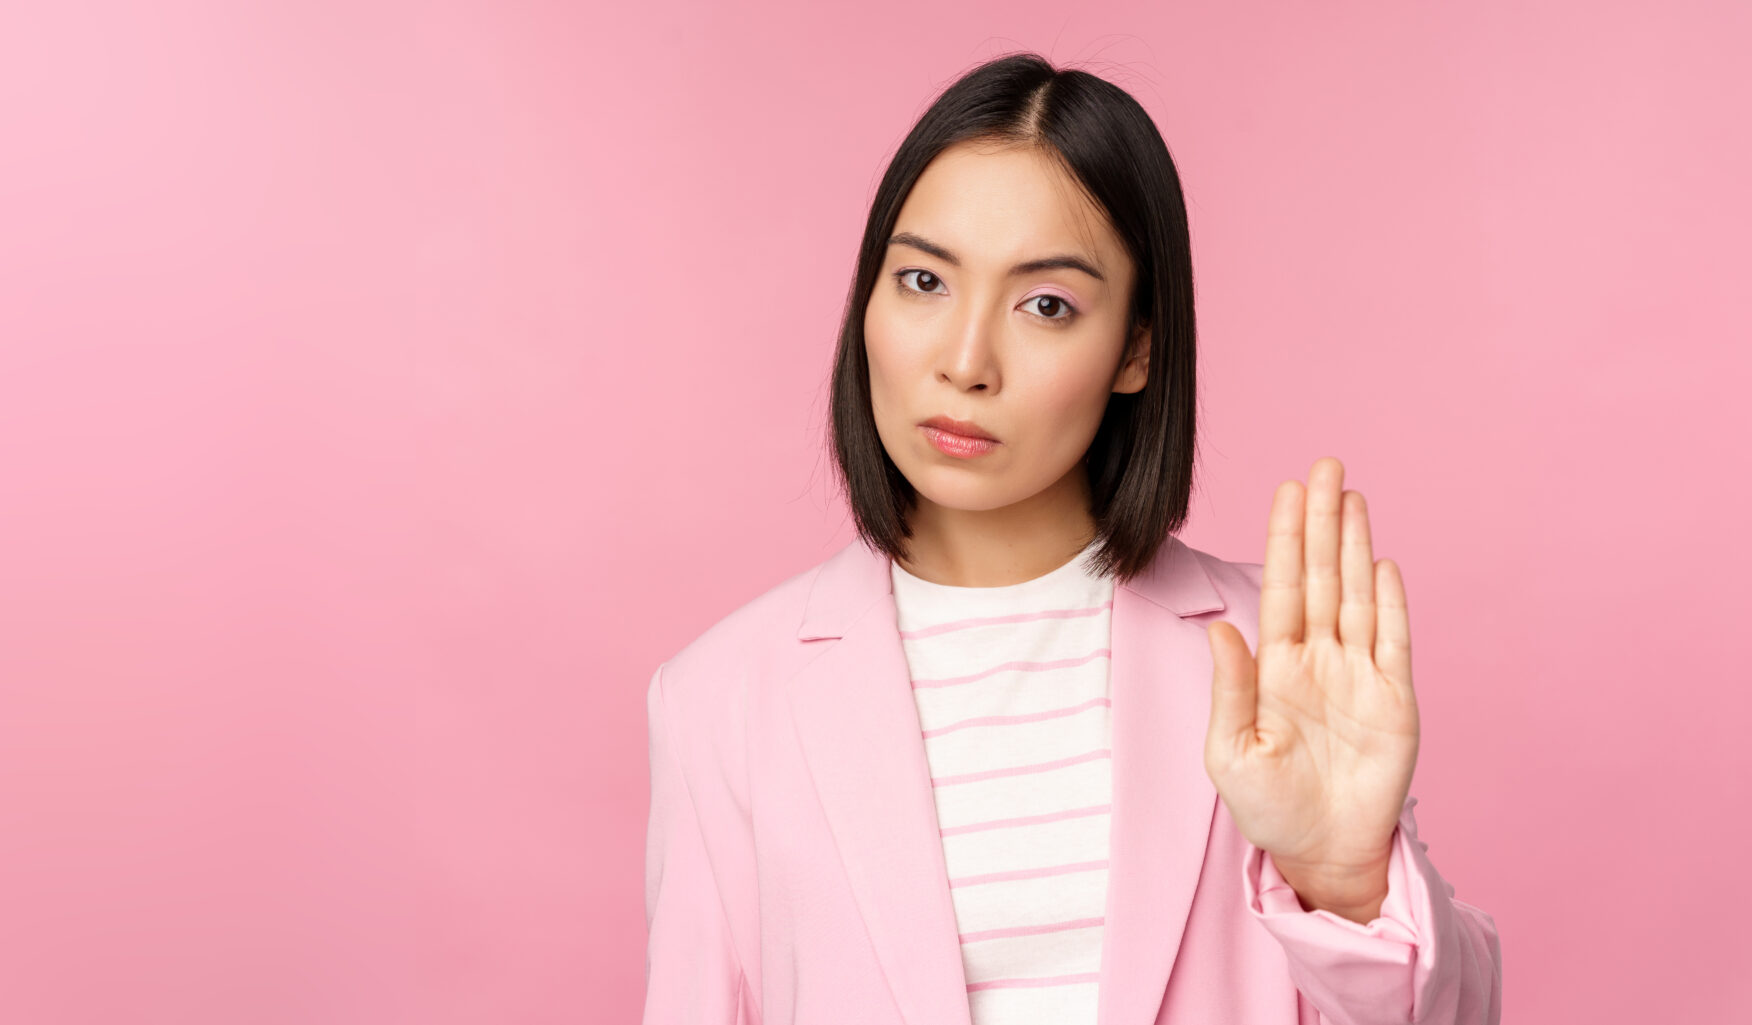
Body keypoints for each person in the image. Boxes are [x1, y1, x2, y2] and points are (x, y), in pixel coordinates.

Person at [641, 52, 1501, 1025]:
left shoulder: (1279, 659)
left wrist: (1345, 883)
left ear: (1136, 345)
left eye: (1045, 304)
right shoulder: (719, 697)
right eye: (922, 279)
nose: (964, 362)